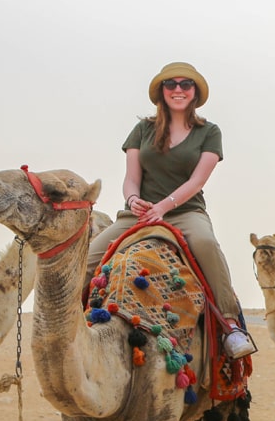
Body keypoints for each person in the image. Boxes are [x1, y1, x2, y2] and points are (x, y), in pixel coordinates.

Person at [87, 62, 256, 360]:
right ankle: (70, 325)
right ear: (161, 92)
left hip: (184, 211)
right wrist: (132, 199)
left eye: (185, 84)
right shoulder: (143, 129)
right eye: (171, 85)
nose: (178, 89)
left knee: (206, 244)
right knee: (89, 257)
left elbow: (197, 180)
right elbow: (131, 178)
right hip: (141, 212)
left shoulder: (208, 132)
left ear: (195, 92)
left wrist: (164, 207)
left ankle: (230, 325)